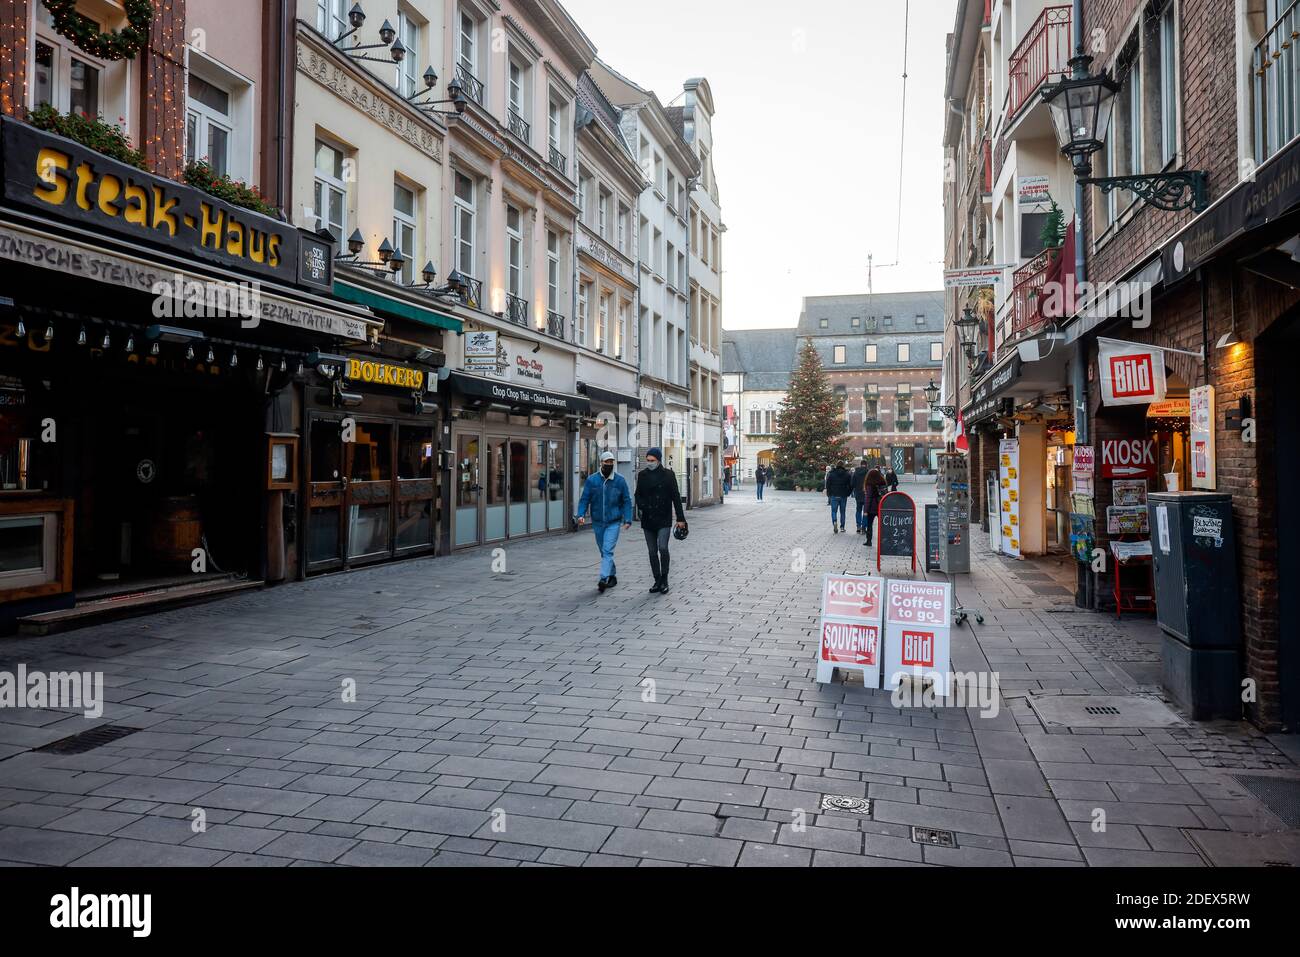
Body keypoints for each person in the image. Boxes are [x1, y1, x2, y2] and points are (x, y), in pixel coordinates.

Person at [574, 451, 632, 593]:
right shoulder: (592, 480)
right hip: (598, 522)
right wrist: (580, 514)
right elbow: (584, 499)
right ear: (601, 463)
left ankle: (603, 578)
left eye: (612, 462)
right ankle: (612, 575)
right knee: (603, 550)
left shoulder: (620, 480)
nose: (609, 464)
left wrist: (628, 518)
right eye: (607, 462)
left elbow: (626, 500)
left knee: (607, 550)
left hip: (613, 522)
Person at [634, 447, 687, 594]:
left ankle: (665, 579)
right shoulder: (642, 475)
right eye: (648, 460)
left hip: (663, 517)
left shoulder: (668, 475)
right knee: (652, 551)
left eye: (652, 460)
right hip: (648, 519)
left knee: (663, 548)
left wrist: (681, 518)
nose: (649, 463)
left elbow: (676, 497)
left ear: (658, 460)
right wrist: (643, 506)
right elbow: (637, 495)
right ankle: (657, 580)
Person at [860, 467, 888, 547]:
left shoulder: (870, 484)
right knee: (883, 524)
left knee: (869, 525)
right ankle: (885, 541)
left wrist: (865, 510)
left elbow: (868, 498)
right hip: (882, 505)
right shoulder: (883, 482)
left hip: (872, 507)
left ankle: (869, 541)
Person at [824, 461, 853, 533]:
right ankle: (842, 527)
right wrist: (848, 493)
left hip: (834, 494)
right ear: (843, 465)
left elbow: (828, 484)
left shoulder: (831, 473)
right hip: (843, 495)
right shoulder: (847, 474)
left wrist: (829, 493)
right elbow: (851, 485)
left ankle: (834, 522)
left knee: (834, 511)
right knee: (842, 512)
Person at [851, 457, 870, 533]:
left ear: (861, 464)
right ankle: (864, 527)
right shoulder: (869, 472)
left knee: (858, 510)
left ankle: (858, 526)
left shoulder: (856, 472)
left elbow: (852, 484)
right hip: (867, 494)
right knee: (865, 511)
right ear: (866, 465)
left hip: (858, 494)